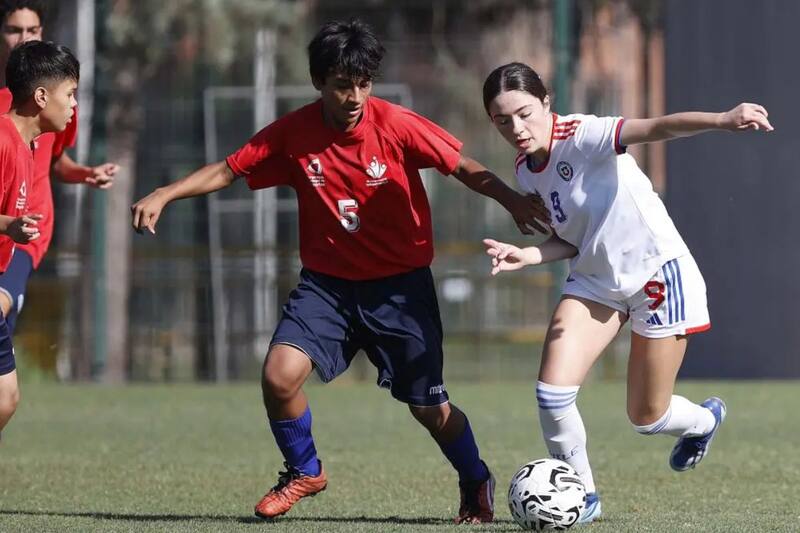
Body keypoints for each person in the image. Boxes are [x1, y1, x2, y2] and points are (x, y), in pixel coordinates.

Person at [131, 19, 550, 524]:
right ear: (319, 83)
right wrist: (165, 193)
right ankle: (304, 470)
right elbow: (229, 169)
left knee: (428, 410)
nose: (355, 96)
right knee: (278, 377)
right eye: (342, 85)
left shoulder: (395, 124)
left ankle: (474, 476)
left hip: (400, 292)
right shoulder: (294, 133)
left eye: (363, 84)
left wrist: (511, 201)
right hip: (327, 289)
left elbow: (460, 164)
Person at [481, 62, 772, 523]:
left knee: (647, 417)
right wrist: (529, 256)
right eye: (502, 121)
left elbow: (656, 127)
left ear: (547, 103)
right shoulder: (527, 172)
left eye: (525, 113)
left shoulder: (584, 134)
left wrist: (721, 119)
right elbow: (574, 237)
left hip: (657, 275)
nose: (517, 128)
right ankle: (585, 499)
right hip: (597, 281)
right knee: (552, 394)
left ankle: (704, 421)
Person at [0, 0, 117, 334]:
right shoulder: (9, 126)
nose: (23, 38)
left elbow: (55, 163)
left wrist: (84, 174)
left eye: (32, 30)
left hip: (26, 235)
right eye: (14, 30)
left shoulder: (58, 102)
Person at [0, 40, 79, 433]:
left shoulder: (27, 145)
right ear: (41, 95)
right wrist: (6, 225)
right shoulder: (2, 141)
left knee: (6, 397)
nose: (74, 105)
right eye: (71, 94)